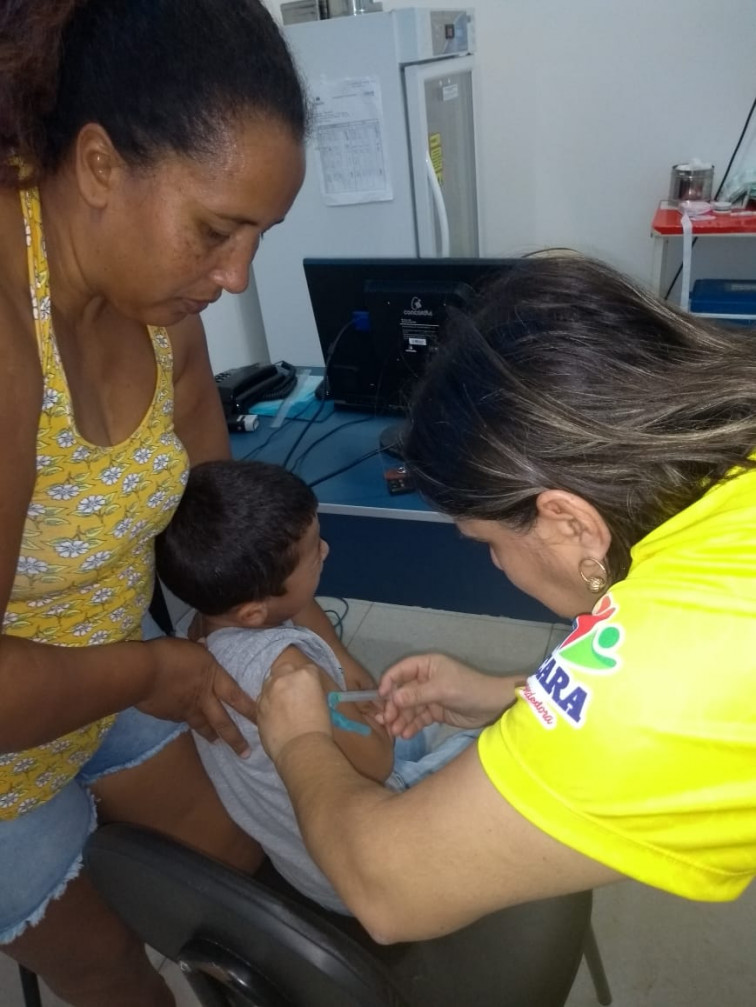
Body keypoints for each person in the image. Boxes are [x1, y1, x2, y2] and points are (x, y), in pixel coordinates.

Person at [0, 2, 368, 1003]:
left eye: (258, 235)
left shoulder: (165, 312)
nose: (237, 274)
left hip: (119, 674)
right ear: (99, 164)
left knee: (244, 893)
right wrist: (157, 663)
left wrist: (315, 645)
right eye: (216, 229)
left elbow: (225, 529)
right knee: (121, 970)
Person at [255, 254, 756, 945]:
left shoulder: (658, 669)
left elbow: (386, 886)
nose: (493, 564)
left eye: (486, 541)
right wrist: (506, 693)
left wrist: (300, 739)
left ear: (569, 523)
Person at [155, 458, 480, 913]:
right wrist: (369, 722)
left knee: (417, 723)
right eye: (313, 553)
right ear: (254, 613)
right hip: (368, 862)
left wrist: (346, 670)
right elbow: (375, 764)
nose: (325, 550)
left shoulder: (200, 633)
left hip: (308, 865)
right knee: (492, 738)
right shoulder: (292, 671)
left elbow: (294, 616)